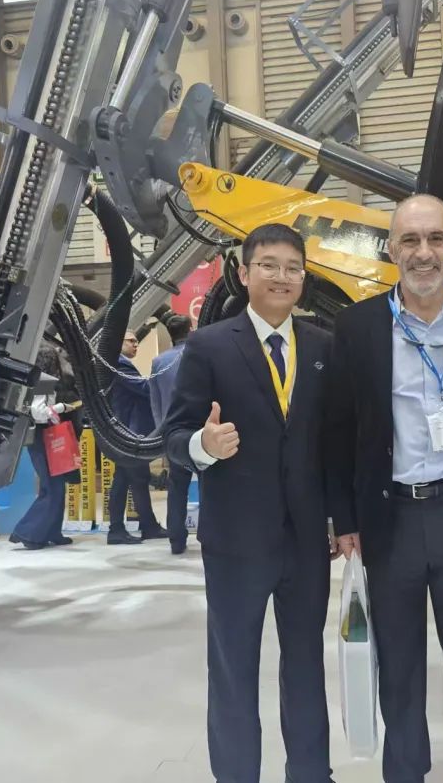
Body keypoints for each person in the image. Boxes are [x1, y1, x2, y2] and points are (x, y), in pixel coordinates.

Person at [325, 194, 443, 783]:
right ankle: (405, 770)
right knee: (398, 661)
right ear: (391, 249)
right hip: (391, 517)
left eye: (435, 239)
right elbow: (338, 431)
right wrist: (345, 519)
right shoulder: (357, 328)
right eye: (410, 240)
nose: (423, 253)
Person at [164, 223, 335, 783]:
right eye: (269, 265)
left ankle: (310, 773)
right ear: (243, 273)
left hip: (306, 542)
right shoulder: (210, 346)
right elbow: (174, 436)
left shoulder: (323, 347)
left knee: (306, 664)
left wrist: (341, 518)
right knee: (233, 667)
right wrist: (203, 445)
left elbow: (336, 442)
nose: (282, 276)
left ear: (303, 277)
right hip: (236, 542)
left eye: (292, 267)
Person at [10, 340, 80, 550]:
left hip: (43, 437)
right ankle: (28, 533)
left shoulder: (35, 380)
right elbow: (39, 412)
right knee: (52, 487)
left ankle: (52, 531)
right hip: (45, 436)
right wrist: (62, 407)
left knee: (56, 485)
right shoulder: (44, 382)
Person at [107, 331, 168, 545]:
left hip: (127, 431)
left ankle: (144, 526)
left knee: (130, 478)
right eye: (131, 341)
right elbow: (143, 388)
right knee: (130, 479)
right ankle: (119, 529)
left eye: (136, 341)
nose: (136, 344)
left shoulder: (120, 363)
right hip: (129, 430)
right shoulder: (120, 364)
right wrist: (163, 378)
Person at [149, 313, 194, 554]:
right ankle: (211, 536)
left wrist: (162, 433)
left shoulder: (159, 362)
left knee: (177, 487)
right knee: (210, 485)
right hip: (202, 431)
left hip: (173, 433)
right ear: (191, 328)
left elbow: (155, 402)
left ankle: (176, 540)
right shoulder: (200, 355)